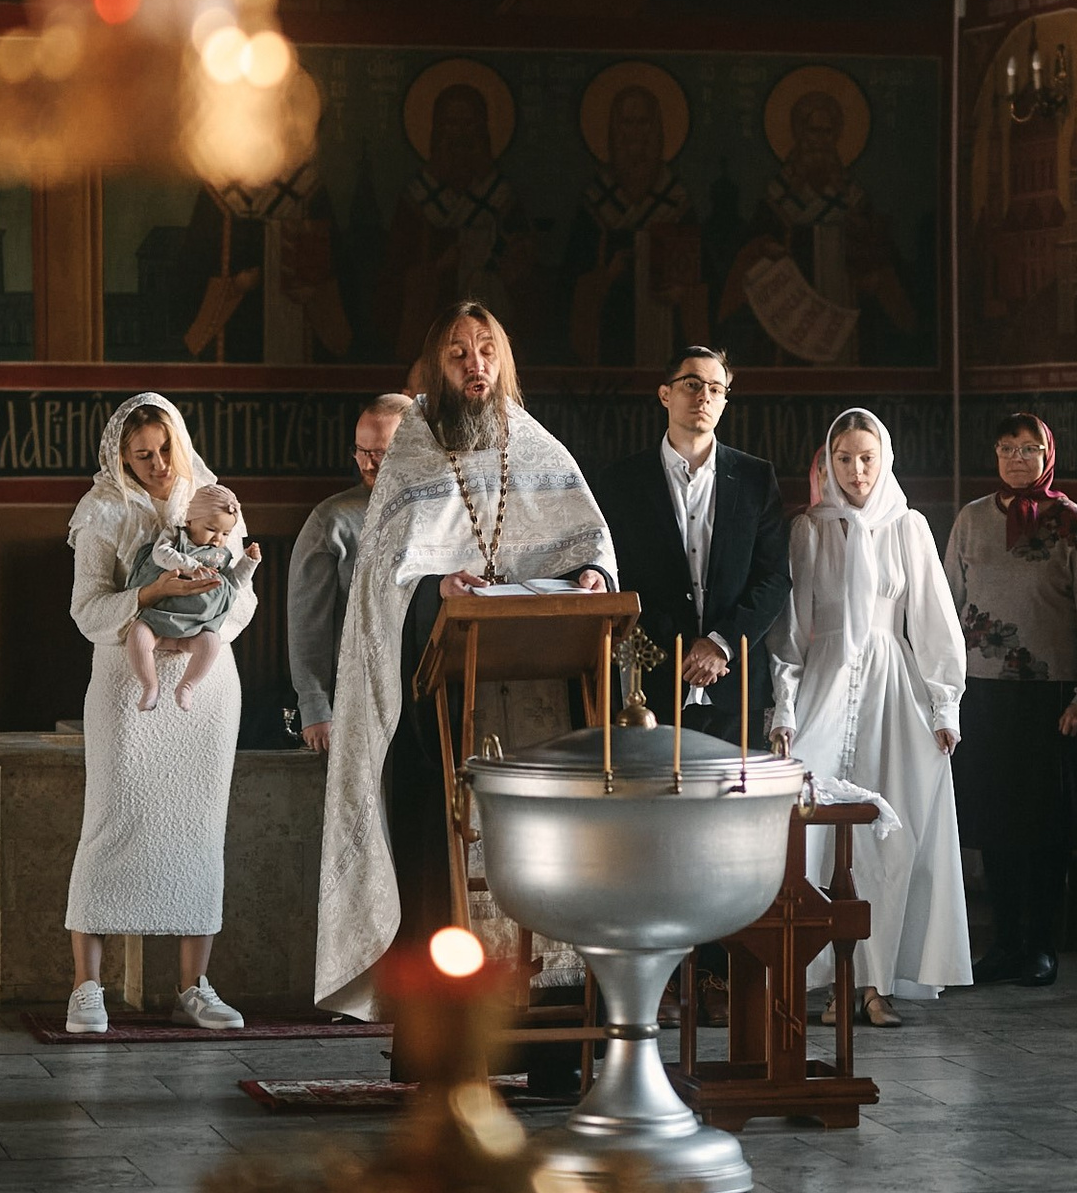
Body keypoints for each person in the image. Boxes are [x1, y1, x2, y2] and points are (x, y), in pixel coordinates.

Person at [315, 305, 616, 1015]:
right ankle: (448, 1042)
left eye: (486, 350)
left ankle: (550, 1038)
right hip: (445, 711)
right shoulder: (412, 454)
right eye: (458, 353)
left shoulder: (539, 449)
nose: (475, 364)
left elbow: (591, 540)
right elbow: (381, 588)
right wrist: (433, 592)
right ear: (435, 370)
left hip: (542, 706)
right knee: (442, 875)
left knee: (549, 864)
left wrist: (593, 574)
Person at [62, 392, 261, 1037]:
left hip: (204, 688)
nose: (157, 464)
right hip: (128, 683)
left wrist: (201, 631)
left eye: (164, 449)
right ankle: (87, 988)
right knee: (110, 823)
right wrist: (151, 595)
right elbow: (87, 609)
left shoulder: (213, 500)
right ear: (122, 458)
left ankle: (193, 988)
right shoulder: (101, 511)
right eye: (141, 455)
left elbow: (241, 598)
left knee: (199, 832)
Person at [770, 407, 968, 1026]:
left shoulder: (908, 526)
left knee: (890, 839)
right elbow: (790, 633)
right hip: (825, 685)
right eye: (844, 459)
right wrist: (784, 707)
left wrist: (944, 705)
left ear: (884, 461)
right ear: (828, 463)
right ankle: (833, 984)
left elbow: (934, 621)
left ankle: (876, 984)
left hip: (892, 690)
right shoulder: (809, 530)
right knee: (815, 834)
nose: (856, 471)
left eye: (866, 458)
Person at [944, 410, 1077, 989]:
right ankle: (1004, 942)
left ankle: (1040, 946)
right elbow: (947, 605)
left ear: (1047, 455)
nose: (1017, 459)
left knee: (1044, 827)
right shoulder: (971, 519)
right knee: (994, 823)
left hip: (1052, 696)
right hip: (982, 692)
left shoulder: (1074, 524)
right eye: (1006, 448)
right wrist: (945, 691)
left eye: (1028, 449)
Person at [596, 346, 792, 717]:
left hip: (735, 680)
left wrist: (721, 645)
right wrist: (681, 648)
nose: (704, 396)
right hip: (652, 677)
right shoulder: (621, 482)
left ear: (724, 402)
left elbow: (774, 578)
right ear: (665, 394)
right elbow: (618, 576)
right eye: (692, 384)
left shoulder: (755, 478)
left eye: (716, 389)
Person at [286, 392, 414, 749]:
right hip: (357, 695)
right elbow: (307, 623)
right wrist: (314, 707)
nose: (367, 464)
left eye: (380, 453)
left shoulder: (439, 512)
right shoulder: (332, 519)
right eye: (360, 451)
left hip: (427, 692)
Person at [123, 480, 257, 711]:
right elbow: (160, 554)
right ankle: (149, 685)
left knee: (211, 643)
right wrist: (191, 566)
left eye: (226, 533)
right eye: (211, 529)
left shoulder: (220, 555)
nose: (218, 539)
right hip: (158, 619)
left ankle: (187, 686)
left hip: (197, 625)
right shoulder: (176, 536)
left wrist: (249, 563)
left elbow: (234, 584)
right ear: (190, 520)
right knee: (137, 634)